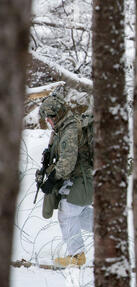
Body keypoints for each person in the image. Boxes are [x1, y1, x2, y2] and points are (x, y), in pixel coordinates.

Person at [37, 93, 93, 267]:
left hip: (81, 179)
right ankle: (113, 231)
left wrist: (51, 180)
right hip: (78, 179)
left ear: (57, 114)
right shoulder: (62, 129)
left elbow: (67, 163)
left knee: (67, 212)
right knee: (80, 213)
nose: (48, 122)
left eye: (49, 118)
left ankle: (76, 257)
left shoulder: (69, 129)